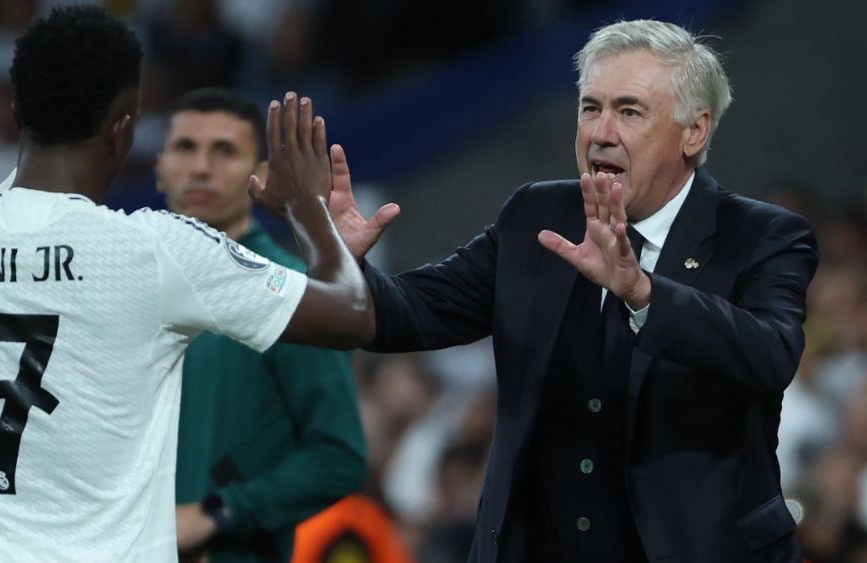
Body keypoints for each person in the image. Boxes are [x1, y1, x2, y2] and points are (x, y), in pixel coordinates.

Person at [0, 6, 371, 562]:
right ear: (124, 132)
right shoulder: (156, 249)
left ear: (18, 110)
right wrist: (307, 212)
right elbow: (353, 313)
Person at [326, 19, 818, 563]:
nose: (600, 132)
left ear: (694, 131)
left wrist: (643, 292)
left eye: (629, 111)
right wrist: (342, 260)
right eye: (590, 108)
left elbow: (771, 352)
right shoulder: (536, 215)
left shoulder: (762, 235)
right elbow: (410, 313)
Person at [155, 88, 366, 562]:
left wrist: (218, 512)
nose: (202, 167)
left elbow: (340, 457)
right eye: (186, 148)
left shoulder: (291, 294)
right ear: (160, 167)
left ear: (262, 176)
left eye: (224, 150)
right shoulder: (126, 288)